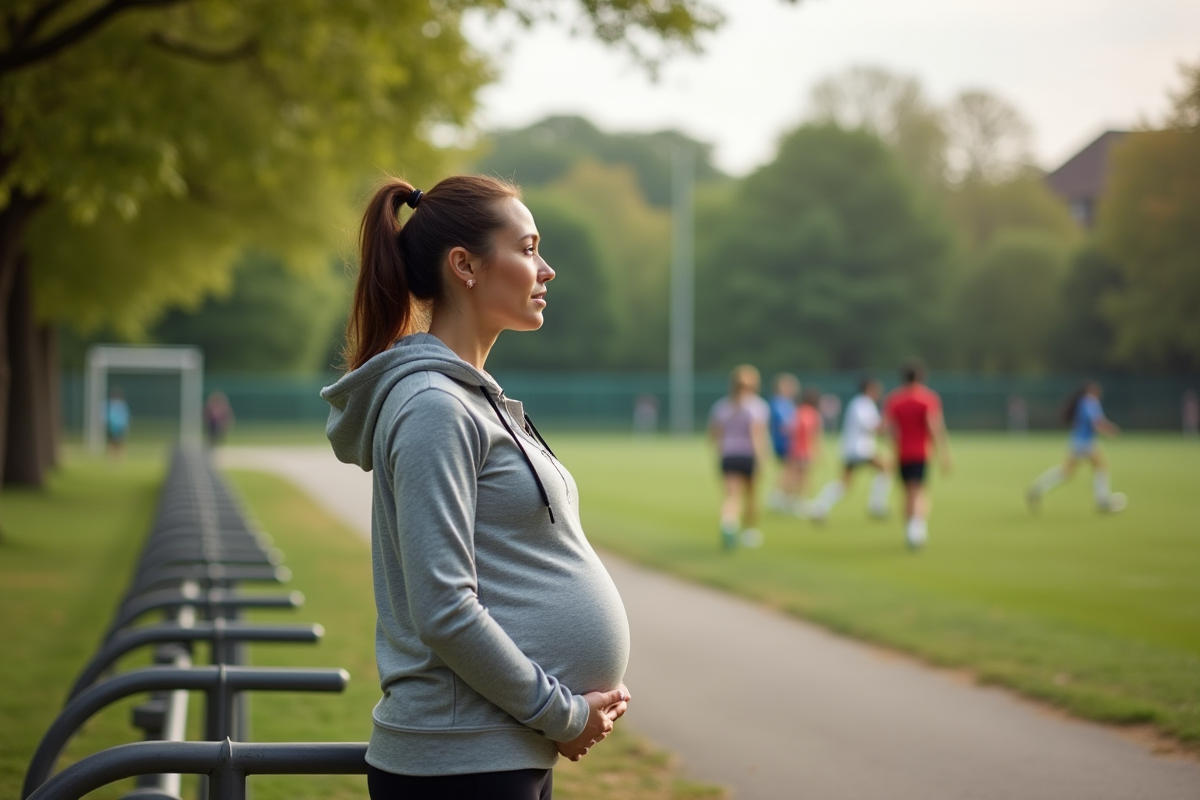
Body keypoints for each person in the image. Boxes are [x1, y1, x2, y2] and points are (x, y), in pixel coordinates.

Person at [321, 175, 630, 800]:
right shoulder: (434, 406)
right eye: (527, 248)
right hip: (461, 762)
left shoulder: (464, 399)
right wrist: (563, 714)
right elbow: (444, 609)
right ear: (464, 265)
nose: (545, 270)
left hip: (498, 752)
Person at [1027, 381, 1126, 513]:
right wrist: (1110, 430)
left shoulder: (1082, 401)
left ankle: (1037, 488)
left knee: (1066, 472)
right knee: (1101, 466)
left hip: (1077, 442)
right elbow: (1096, 422)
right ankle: (1102, 501)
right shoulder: (1090, 401)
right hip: (1085, 442)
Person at [883, 361, 952, 550]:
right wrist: (944, 454)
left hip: (901, 452)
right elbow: (934, 427)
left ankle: (910, 528)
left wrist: (893, 447)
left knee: (907, 491)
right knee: (918, 491)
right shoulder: (927, 398)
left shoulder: (894, 399)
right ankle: (916, 530)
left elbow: (888, 427)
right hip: (920, 451)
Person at [808, 378, 890, 522]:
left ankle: (819, 507)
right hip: (859, 449)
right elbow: (872, 427)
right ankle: (876, 505)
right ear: (870, 388)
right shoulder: (862, 404)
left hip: (854, 448)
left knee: (844, 484)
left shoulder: (862, 403)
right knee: (885, 468)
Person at [708, 364, 771, 550]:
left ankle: (728, 524)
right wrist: (761, 459)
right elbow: (757, 436)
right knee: (751, 496)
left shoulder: (721, 406)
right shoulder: (757, 406)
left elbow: (713, 436)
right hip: (748, 454)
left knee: (731, 496)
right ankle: (750, 532)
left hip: (728, 454)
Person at [778, 387, 823, 516]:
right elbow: (814, 434)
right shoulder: (813, 414)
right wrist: (817, 451)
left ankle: (788, 499)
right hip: (805, 450)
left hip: (794, 448)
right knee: (803, 477)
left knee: (793, 475)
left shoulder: (798, 411)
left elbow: (786, 428)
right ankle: (800, 501)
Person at [766, 373, 800, 512]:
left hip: (789, 442)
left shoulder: (787, 403)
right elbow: (785, 424)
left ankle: (787, 498)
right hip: (783, 442)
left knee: (792, 470)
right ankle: (778, 496)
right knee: (790, 470)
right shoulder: (779, 403)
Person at [106, 388, 130, 458]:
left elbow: (125, 416)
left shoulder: (121, 405)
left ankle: (117, 457)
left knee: (119, 442)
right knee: (114, 442)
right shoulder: (111, 405)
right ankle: (115, 457)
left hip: (118, 426)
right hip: (115, 426)